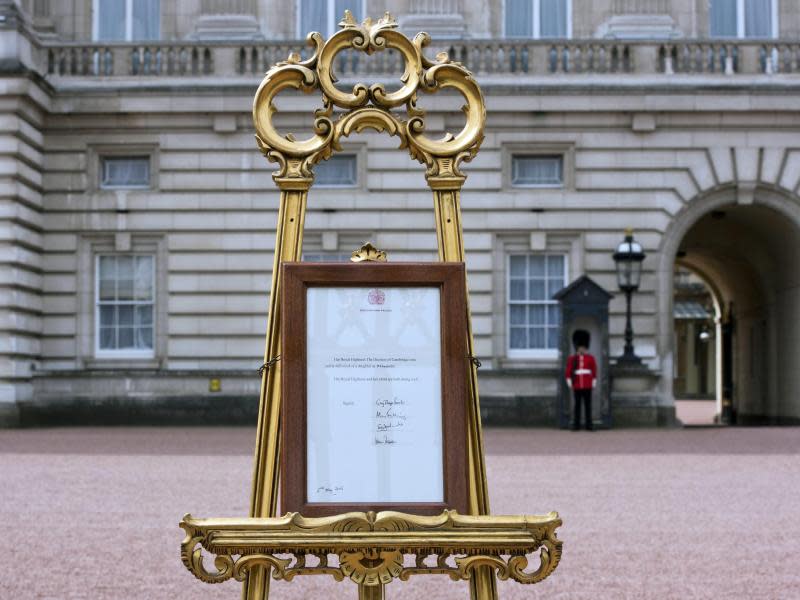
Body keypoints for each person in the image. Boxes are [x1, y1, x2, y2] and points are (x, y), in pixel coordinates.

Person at [565, 329, 597, 431]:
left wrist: (594, 380)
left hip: (587, 384)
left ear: (585, 347)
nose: (581, 349)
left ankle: (589, 425)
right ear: (577, 347)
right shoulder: (572, 359)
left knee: (588, 406)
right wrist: (569, 379)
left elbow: (593, 369)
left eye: (583, 347)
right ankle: (576, 425)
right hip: (577, 384)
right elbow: (569, 369)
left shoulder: (590, 358)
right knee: (577, 406)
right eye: (580, 347)